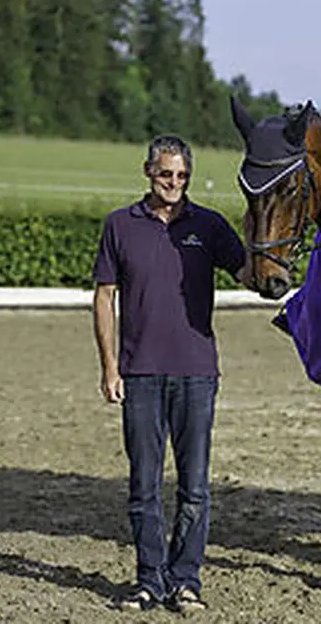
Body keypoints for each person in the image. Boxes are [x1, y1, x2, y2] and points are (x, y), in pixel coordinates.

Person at [92, 134, 247, 613]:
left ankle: (186, 581)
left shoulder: (210, 226)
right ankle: (148, 580)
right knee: (143, 487)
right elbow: (103, 296)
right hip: (139, 376)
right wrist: (110, 367)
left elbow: (251, 272)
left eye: (182, 175)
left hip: (197, 374)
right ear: (147, 172)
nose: (174, 183)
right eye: (166, 174)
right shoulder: (121, 225)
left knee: (195, 489)